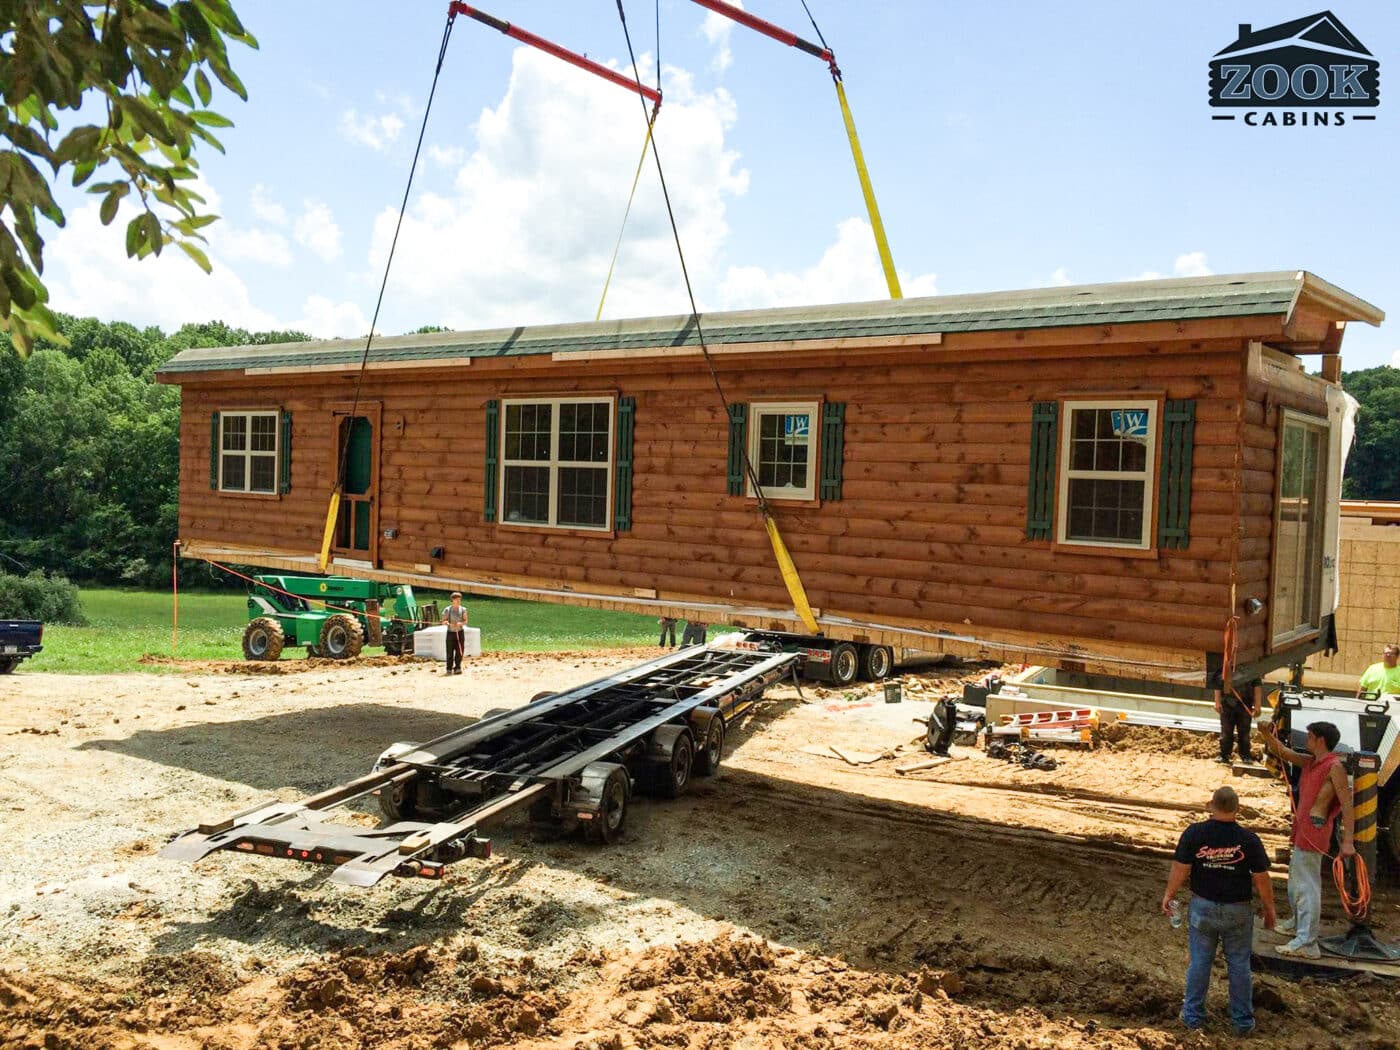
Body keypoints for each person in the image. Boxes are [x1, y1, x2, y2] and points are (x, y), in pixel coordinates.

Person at [1162, 786, 1275, 1036]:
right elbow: (1262, 878)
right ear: (1238, 809)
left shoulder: (1195, 833)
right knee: (1238, 964)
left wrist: (1169, 895)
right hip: (1238, 910)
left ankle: (1192, 1017)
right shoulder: (1248, 839)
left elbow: (1181, 867)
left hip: (1203, 908)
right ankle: (1243, 1022)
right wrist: (1269, 909)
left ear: (1211, 806)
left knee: (1200, 961)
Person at [1257, 719, 1355, 959]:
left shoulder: (1333, 767)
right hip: (1304, 830)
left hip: (1314, 832)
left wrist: (1347, 841)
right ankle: (1299, 924)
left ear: (1320, 740)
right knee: (1296, 882)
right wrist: (1266, 735)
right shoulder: (1313, 762)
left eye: (1310, 736)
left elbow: (1347, 806)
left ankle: (1307, 942)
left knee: (1307, 887)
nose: (1306, 740)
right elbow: (1285, 753)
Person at [1213, 679, 1261, 765]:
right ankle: (1224, 755)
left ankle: (1245, 755)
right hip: (1227, 703)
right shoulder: (1225, 666)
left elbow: (1257, 685)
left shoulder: (1252, 668)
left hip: (1245, 703)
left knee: (1244, 732)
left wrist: (1257, 705)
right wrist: (1217, 701)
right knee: (1226, 731)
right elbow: (1218, 683)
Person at [442, 592, 468, 675]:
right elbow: (443, 620)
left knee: (459, 651)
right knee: (449, 651)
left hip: (460, 633)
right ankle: (449, 668)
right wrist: (446, 622)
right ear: (452, 600)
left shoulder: (463, 609)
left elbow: (465, 621)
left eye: (459, 599)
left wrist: (461, 623)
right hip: (450, 633)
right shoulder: (447, 610)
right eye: (457, 599)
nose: (458, 601)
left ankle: (457, 667)